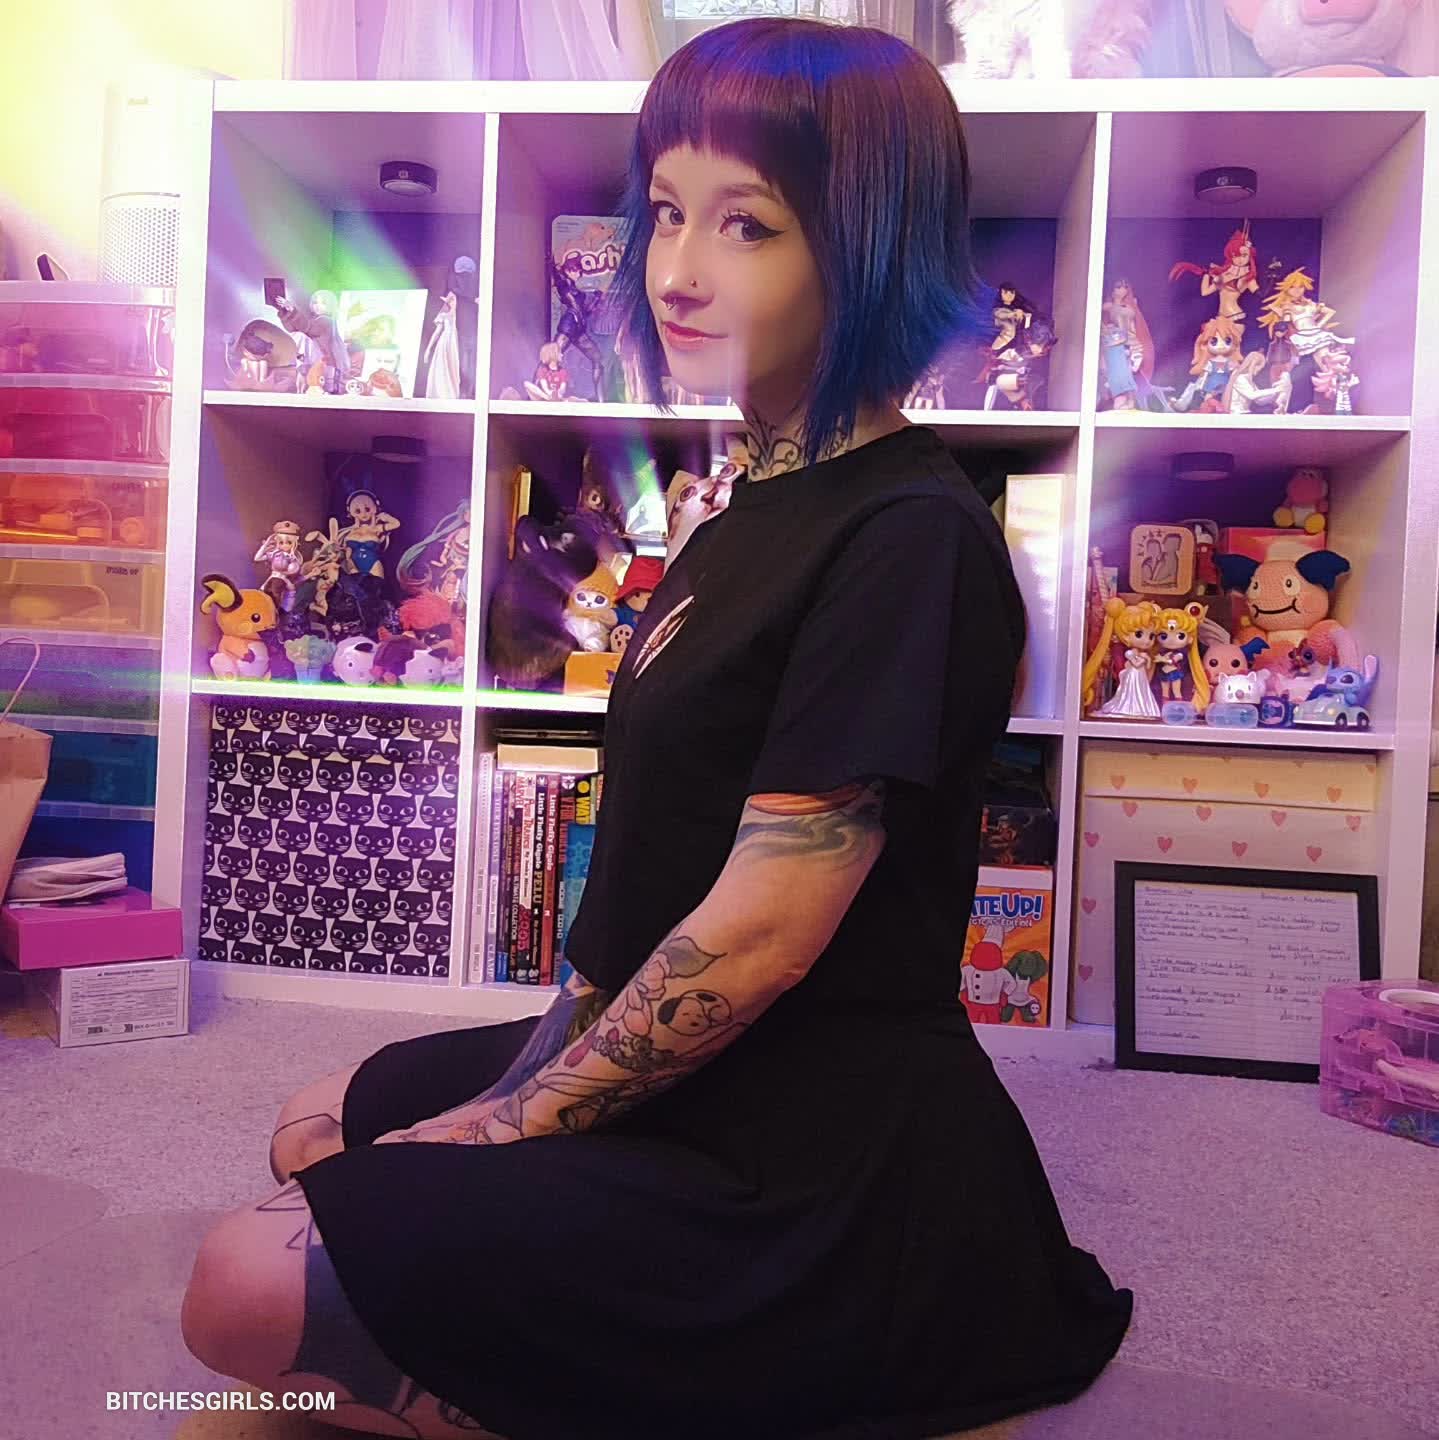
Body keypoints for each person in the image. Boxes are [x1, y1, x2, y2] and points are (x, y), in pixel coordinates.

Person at [181, 19, 1133, 1439]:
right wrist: (537, 1064)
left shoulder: (911, 535)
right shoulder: (746, 505)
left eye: (746, 224)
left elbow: (763, 930)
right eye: (667, 211)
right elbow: (656, 853)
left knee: (240, 1291)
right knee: (314, 1125)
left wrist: (511, 1122)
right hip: (671, 1051)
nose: (676, 270)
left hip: (811, 1134)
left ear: (867, 247)